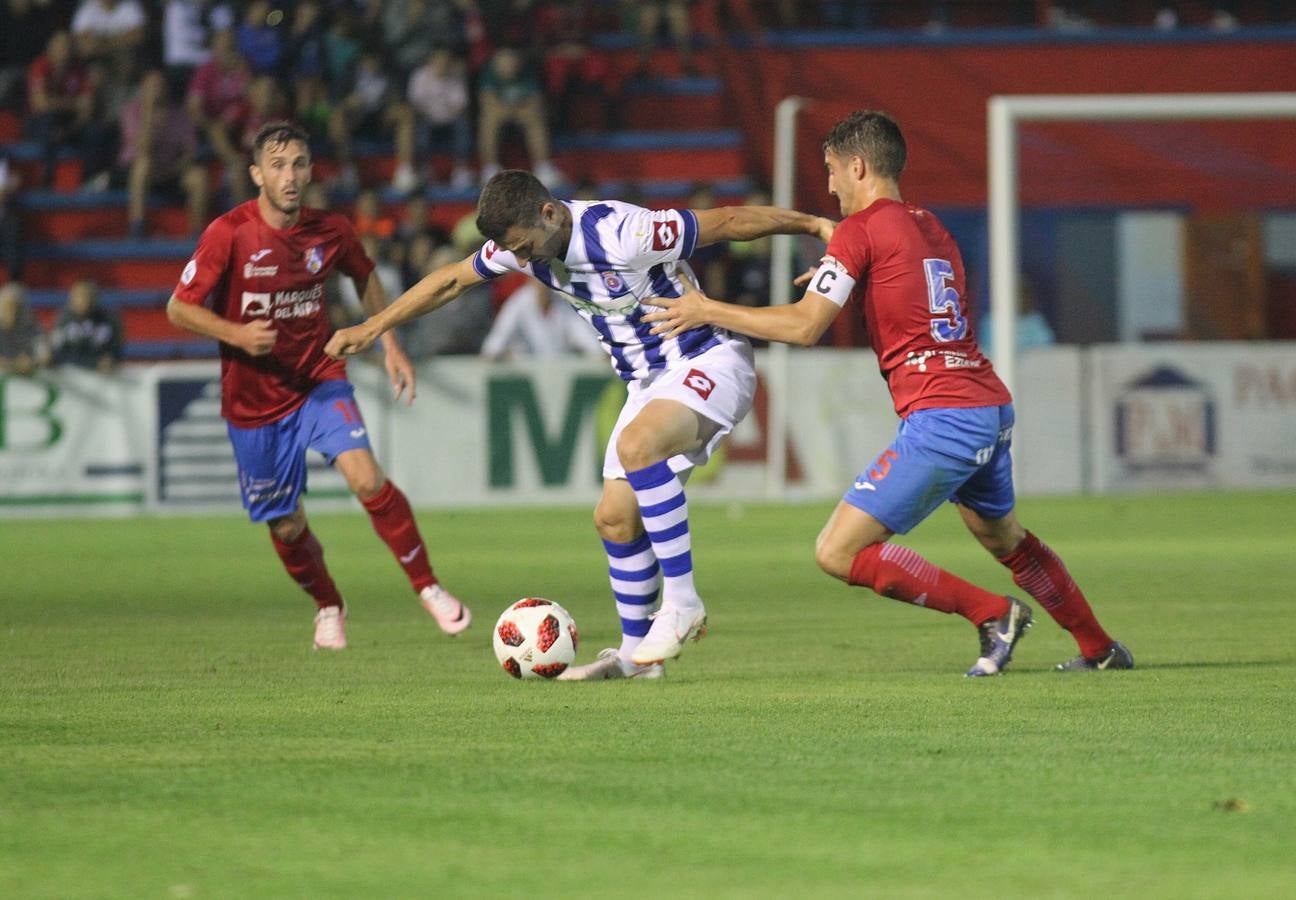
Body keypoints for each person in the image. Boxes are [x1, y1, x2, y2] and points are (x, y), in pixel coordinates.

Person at [644, 110, 1133, 675]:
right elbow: (912, 299)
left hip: (945, 414)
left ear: (857, 166)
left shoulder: (862, 230)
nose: (828, 186)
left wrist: (705, 309)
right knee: (1003, 537)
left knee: (837, 551)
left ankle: (993, 614)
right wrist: (846, 278)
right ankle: (1099, 648)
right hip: (986, 401)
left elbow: (805, 328)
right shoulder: (930, 225)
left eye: (830, 171)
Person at [326, 169, 834, 678]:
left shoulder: (625, 231)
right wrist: (373, 326)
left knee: (638, 446)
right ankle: (637, 657)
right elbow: (452, 280)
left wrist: (812, 225)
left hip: (708, 360)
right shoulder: (523, 244)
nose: (521, 261)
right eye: (514, 253)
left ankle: (682, 603)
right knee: (613, 517)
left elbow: (727, 221)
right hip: (647, 383)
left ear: (549, 213)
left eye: (525, 248)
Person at [166, 120, 472, 650]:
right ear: (257, 173)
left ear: (310, 171)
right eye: (278, 166)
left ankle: (429, 587)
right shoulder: (229, 233)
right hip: (254, 401)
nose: (290, 176)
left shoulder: (330, 231)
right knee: (285, 526)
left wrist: (389, 343)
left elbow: (364, 274)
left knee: (368, 479)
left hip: (319, 376)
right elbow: (178, 308)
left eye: (299, 164)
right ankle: (328, 604)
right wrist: (236, 332)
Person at [479, 280, 603, 361]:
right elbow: (500, 335)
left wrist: (599, 353)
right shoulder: (519, 302)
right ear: (530, 280)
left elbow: (581, 333)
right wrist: (493, 352)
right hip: (527, 372)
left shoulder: (561, 302)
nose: (543, 285)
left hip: (559, 371)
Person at [50, 278, 123, 372]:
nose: (82, 300)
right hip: (71, 375)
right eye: (77, 296)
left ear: (94, 297)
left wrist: (111, 359)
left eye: (85, 295)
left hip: (100, 376)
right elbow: (56, 351)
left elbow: (116, 348)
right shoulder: (63, 320)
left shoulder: (108, 319)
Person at [0, 282, 50, 375]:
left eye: (16, 307)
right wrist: (14, 363)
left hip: (29, 378)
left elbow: (45, 356)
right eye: (7, 307)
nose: (12, 311)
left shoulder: (32, 328)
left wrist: (32, 362)